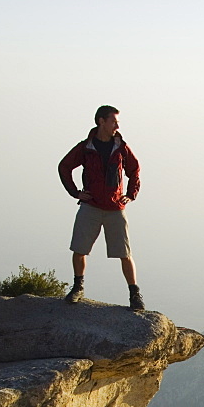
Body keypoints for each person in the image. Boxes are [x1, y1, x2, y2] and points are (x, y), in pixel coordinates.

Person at [58, 105, 145, 310]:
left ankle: (135, 295)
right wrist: (76, 193)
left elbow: (134, 170)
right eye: (113, 121)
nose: (117, 125)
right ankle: (78, 287)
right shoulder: (86, 147)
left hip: (115, 207)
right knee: (80, 250)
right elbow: (64, 167)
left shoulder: (121, 147)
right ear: (101, 121)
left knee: (125, 254)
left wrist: (130, 196)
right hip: (91, 206)